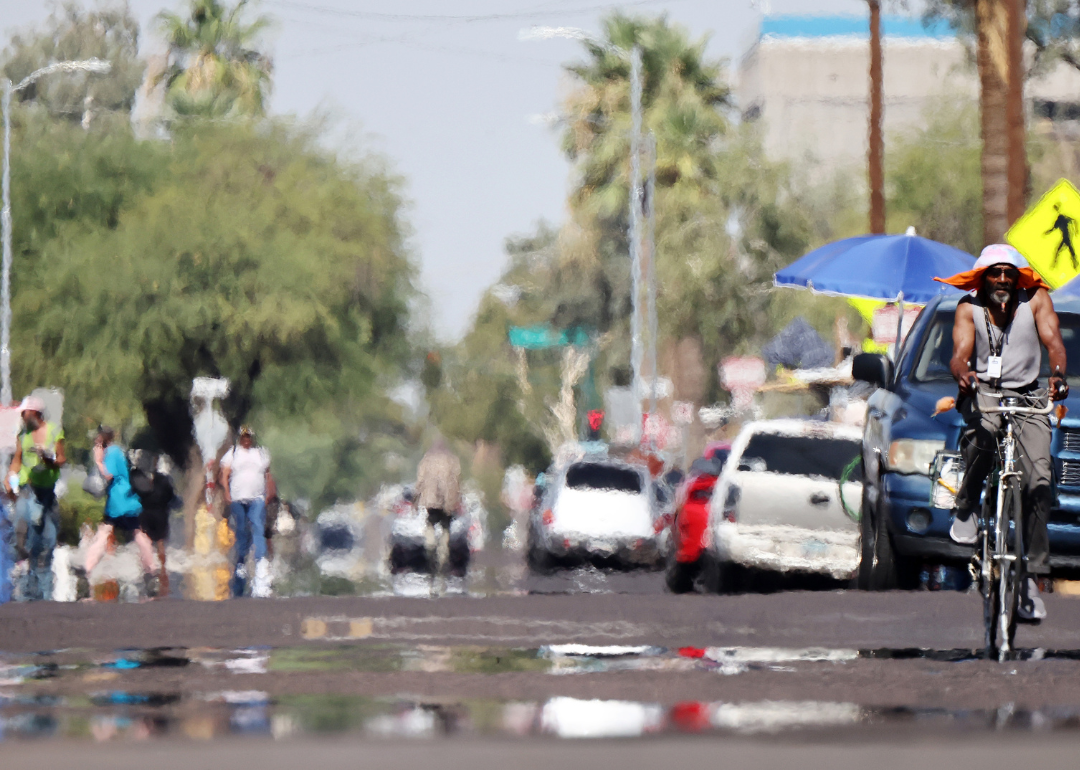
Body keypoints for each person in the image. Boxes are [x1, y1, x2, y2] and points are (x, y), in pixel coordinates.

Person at [938, 244, 1069, 622]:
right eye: (994, 273)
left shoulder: (1036, 300)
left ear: (1017, 277)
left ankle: (1028, 580)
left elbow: (1055, 344)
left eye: (1008, 273)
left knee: (1040, 479)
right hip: (984, 391)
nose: (1002, 280)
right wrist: (962, 375)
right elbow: (960, 353)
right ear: (983, 277)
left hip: (1029, 397)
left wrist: (1057, 375)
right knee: (983, 433)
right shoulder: (969, 307)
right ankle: (965, 507)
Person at [84, 426, 159, 597]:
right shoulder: (117, 450)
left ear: (103, 438)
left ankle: (87, 570)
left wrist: (98, 461)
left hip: (119, 502)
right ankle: (151, 571)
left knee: (107, 534)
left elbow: (108, 475)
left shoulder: (112, 452)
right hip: (126, 500)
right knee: (137, 534)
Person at [4, 396, 65, 600]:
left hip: (47, 493)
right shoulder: (24, 435)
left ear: (35, 413)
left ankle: (43, 589)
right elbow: (17, 461)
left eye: (25, 412)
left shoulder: (54, 430)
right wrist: (9, 478)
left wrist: (49, 460)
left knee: (46, 540)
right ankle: (24, 565)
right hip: (28, 490)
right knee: (22, 527)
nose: (22, 416)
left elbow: (62, 459)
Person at [220, 425, 274, 598]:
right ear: (240, 437)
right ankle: (240, 569)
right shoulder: (233, 453)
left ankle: (260, 569)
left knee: (258, 528)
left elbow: (267, 474)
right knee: (242, 532)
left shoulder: (260, 453)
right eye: (244, 437)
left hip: (256, 498)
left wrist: (269, 493)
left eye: (249, 437)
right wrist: (227, 493)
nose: (246, 439)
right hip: (237, 499)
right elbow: (224, 474)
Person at [415, 438, 461, 588]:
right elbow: (457, 480)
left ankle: (431, 546)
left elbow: (420, 480)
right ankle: (442, 553)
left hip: (431, 501)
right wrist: (456, 500)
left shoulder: (427, 459)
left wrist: (415, 498)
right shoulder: (452, 460)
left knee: (430, 525)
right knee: (446, 529)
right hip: (448, 502)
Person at [130, 449, 175, 598]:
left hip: (145, 513)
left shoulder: (138, 479)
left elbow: (135, 494)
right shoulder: (163, 479)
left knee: (146, 543)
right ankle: (162, 572)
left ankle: (148, 571)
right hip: (161, 513)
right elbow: (171, 496)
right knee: (161, 543)